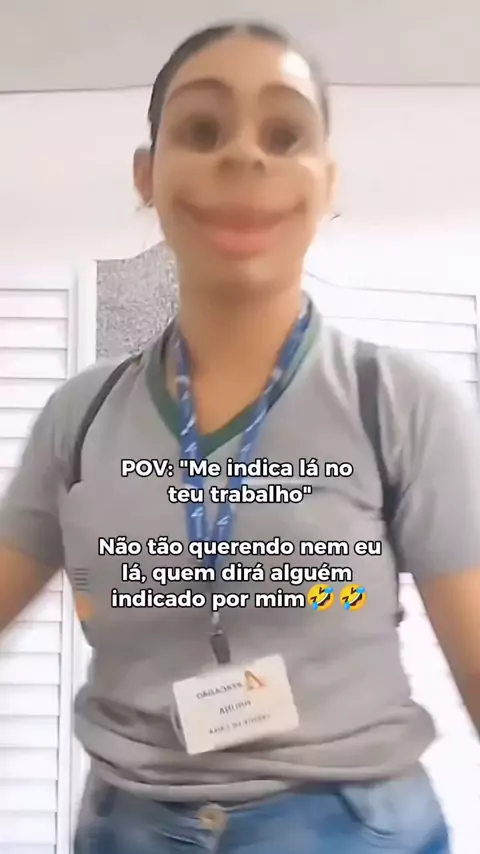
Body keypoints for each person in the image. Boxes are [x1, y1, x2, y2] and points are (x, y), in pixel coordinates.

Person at [1, 20, 480, 854]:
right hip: (128, 831)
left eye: (285, 134)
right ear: (147, 176)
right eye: (201, 129)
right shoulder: (79, 419)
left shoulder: (401, 404)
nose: (245, 156)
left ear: (327, 182)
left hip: (356, 832)